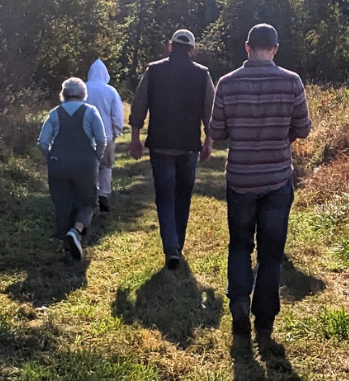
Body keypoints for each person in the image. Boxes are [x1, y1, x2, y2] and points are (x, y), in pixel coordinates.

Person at [209, 23, 312, 338]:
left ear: (247, 47)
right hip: (277, 178)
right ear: (275, 48)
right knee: (271, 252)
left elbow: (216, 132)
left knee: (239, 244)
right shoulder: (291, 82)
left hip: (240, 176)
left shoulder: (226, 84)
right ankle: (264, 318)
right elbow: (304, 128)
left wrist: (239, 132)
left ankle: (240, 298)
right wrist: (283, 137)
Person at [129, 29, 215, 270]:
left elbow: (139, 103)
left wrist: (135, 137)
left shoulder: (154, 70)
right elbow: (211, 110)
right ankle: (177, 245)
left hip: (161, 144)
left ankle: (172, 248)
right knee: (183, 198)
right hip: (188, 146)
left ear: (170, 47)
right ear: (192, 49)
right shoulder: (202, 74)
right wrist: (209, 140)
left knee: (165, 198)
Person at [37, 77, 107, 261]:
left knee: (62, 203)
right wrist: (97, 157)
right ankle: (75, 231)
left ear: (64, 94)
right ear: (84, 94)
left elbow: (43, 142)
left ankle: (66, 247)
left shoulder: (54, 114)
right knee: (88, 201)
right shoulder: (90, 112)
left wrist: (51, 157)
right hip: (85, 162)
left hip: (58, 162)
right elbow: (101, 139)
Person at [85, 58, 125, 212]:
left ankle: (89, 196)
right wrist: (115, 132)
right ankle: (103, 194)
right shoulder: (111, 91)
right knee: (106, 166)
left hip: (86, 137)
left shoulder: (83, 89)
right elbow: (117, 115)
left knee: (89, 167)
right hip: (106, 135)